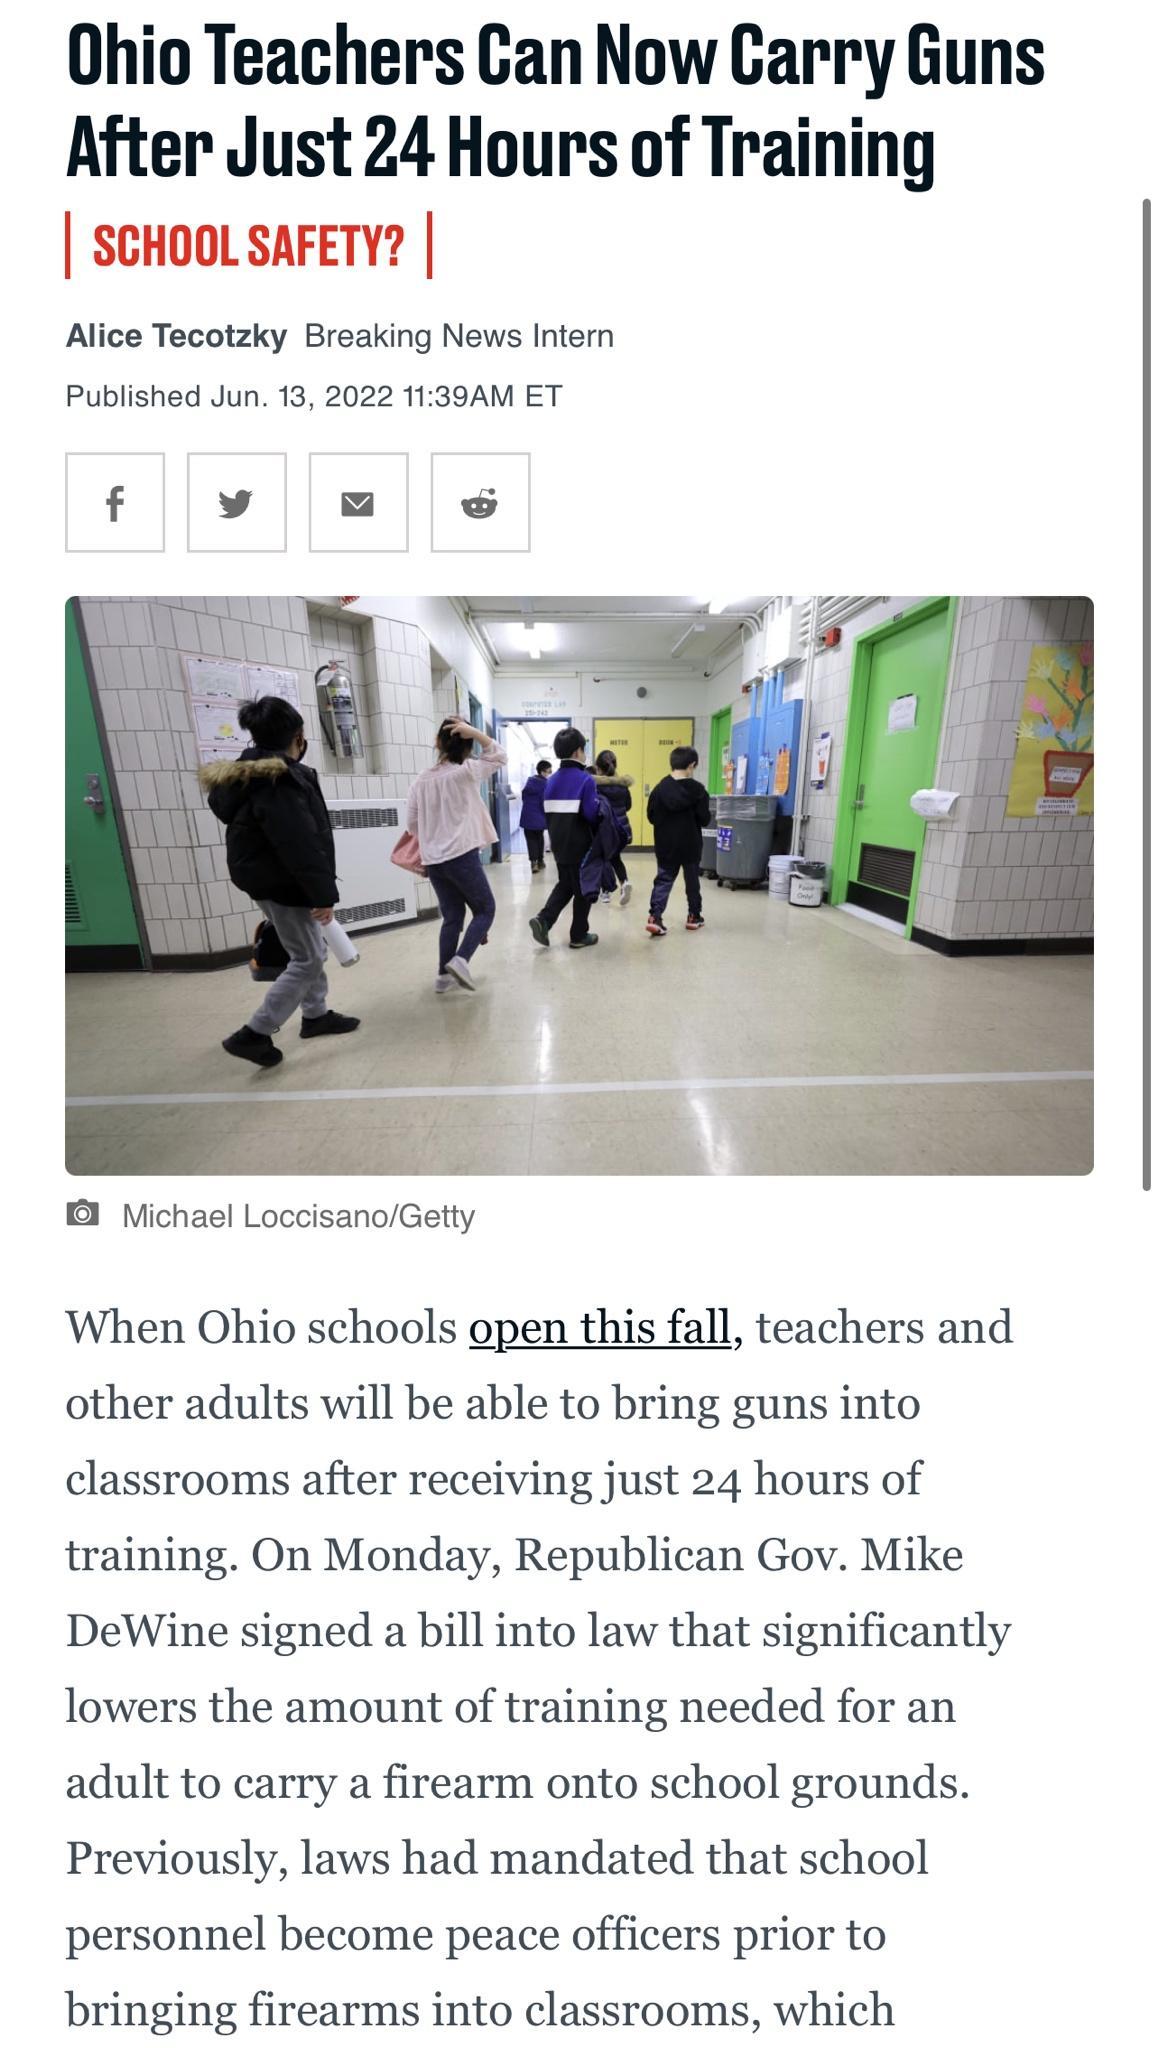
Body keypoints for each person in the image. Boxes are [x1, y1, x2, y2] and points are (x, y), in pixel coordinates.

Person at [198, 695, 359, 1068]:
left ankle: (316, 1014)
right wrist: (322, 893)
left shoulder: (246, 773)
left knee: (308, 947)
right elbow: (299, 843)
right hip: (282, 879)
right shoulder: (280, 780)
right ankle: (254, 1033)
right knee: (307, 957)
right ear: (298, 738)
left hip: (263, 876)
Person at [407, 717, 507, 992]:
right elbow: (499, 756)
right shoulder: (465, 772)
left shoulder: (421, 781)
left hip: (434, 861)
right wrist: (476, 732)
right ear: (467, 747)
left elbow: (413, 825)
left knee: (452, 917)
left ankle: (442, 977)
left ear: (437, 743)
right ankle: (461, 960)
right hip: (461, 855)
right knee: (486, 909)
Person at [529, 727, 601, 952]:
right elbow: (591, 814)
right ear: (579, 751)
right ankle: (578, 935)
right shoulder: (585, 780)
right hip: (581, 845)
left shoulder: (550, 782)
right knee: (583, 889)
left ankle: (544, 920)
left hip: (558, 844)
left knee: (567, 884)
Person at [645, 745, 712, 937]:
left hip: (666, 844)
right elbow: (705, 819)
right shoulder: (698, 790)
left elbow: (651, 816)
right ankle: (694, 916)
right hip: (691, 844)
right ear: (691, 765)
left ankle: (655, 917)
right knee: (692, 882)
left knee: (663, 880)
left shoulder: (659, 789)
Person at [593, 750, 633, 905]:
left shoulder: (596, 786)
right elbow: (628, 806)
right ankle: (624, 882)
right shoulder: (623, 785)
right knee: (614, 857)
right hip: (622, 829)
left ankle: (606, 892)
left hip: (604, 829)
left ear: (598, 767)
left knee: (603, 858)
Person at [519, 758, 551, 872]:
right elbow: (544, 802)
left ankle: (534, 863)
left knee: (530, 839)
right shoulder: (546, 784)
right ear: (543, 771)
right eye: (549, 771)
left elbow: (524, 796)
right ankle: (540, 861)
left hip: (527, 816)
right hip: (539, 816)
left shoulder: (529, 781)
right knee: (539, 838)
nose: (549, 773)